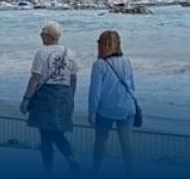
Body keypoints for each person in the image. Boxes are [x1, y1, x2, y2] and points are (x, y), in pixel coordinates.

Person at [21, 21, 80, 175]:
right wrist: (71, 98)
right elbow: (73, 79)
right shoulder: (70, 53)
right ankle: (70, 156)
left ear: (49, 36)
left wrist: (26, 99)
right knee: (57, 132)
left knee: (46, 135)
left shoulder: (42, 52)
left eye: (42, 33)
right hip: (64, 95)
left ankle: (49, 168)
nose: (40, 36)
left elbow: (35, 78)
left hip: (46, 96)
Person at [89, 30, 137, 175]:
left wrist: (92, 111)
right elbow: (132, 85)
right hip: (127, 106)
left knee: (101, 140)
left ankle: (95, 169)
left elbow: (95, 91)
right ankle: (130, 172)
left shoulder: (99, 64)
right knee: (127, 143)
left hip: (106, 109)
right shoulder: (127, 61)